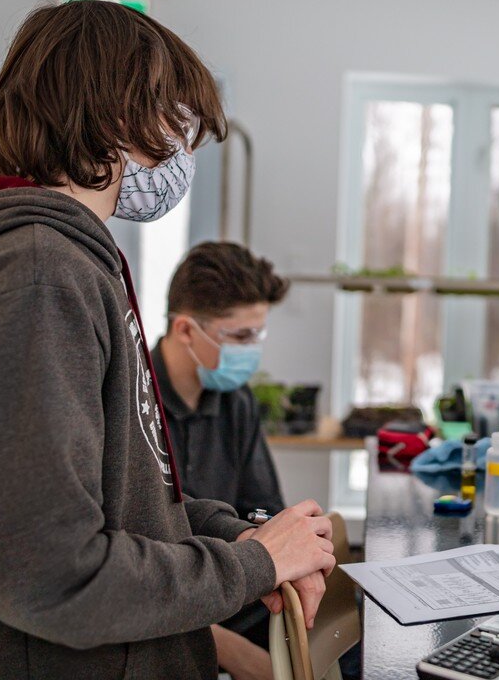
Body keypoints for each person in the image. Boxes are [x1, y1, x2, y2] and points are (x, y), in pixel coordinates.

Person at [0, 0, 334, 679]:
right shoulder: (41, 273)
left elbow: (121, 503)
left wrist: (240, 534)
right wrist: (255, 562)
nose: (180, 147)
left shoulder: (70, 261)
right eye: (173, 117)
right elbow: (49, 575)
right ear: (120, 117)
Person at [155, 241, 290, 679]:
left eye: (258, 335)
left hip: (234, 588)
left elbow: (265, 511)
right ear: (186, 330)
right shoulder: (131, 405)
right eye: (240, 337)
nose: (252, 350)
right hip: (156, 606)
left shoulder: (237, 403)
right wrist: (227, 649)